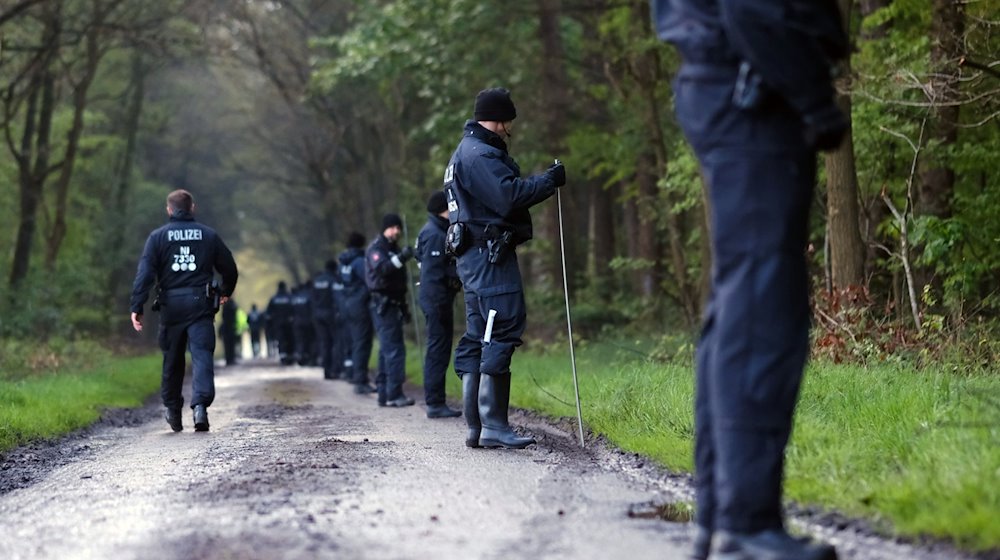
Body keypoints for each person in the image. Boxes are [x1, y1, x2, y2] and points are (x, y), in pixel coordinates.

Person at [651, 2, 848, 559]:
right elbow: (754, 7)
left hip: (734, 79)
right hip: (752, 86)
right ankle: (743, 522)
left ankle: (724, 519)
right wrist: (812, 95)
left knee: (745, 300)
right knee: (761, 309)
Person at [444, 87, 566, 449]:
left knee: (480, 332)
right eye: (507, 123)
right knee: (501, 326)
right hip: (488, 259)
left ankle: (476, 425)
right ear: (497, 120)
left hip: (474, 259)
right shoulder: (478, 154)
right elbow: (508, 196)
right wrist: (548, 181)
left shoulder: (462, 153)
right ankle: (492, 423)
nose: (508, 131)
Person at [129, 189, 238, 433]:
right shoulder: (208, 235)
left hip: (171, 306)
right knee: (201, 356)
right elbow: (229, 267)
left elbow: (145, 274)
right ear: (192, 208)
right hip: (201, 304)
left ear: (169, 210)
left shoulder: (157, 238)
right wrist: (225, 291)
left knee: (172, 358)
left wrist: (137, 305)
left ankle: (173, 411)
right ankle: (200, 408)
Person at [415, 190, 462, 419]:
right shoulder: (434, 233)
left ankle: (436, 401)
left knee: (440, 348)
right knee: (438, 350)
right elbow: (434, 272)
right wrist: (461, 271)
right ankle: (435, 402)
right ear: (444, 209)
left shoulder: (431, 230)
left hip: (437, 299)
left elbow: (418, 257)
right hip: (437, 300)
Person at [365, 213, 416, 407]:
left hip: (393, 303)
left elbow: (398, 281)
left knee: (387, 350)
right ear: (386, 228)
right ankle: (394, 394)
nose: (397, 231)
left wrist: (404, 307)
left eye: (399, 228)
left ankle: (384, 393)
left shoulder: (391, 248)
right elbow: (383, 269)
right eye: (394, 227)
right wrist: (402, 257)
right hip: (383, 305)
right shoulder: (377, 248)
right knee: (394, 350)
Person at [340, 232, 376, 394]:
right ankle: (360, 380)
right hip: (361, 305)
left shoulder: (344, 263)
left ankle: (357, 376)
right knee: (363, 342)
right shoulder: (359, 262)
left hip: (348, 304)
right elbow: (370, 280)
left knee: (356, 341)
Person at [311, 260, 340, 380]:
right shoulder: (334, 279)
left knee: (324, 342)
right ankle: (334, 369)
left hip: (318, 314)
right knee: (335, 342)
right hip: (331, 314)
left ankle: (326, 370)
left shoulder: (317, 280)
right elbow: (337, 298)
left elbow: (312, 297)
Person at [266, 281, 295, 364]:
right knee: (290, 339)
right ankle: (290, 356)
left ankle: (283, 356)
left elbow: (269, 313)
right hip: (289, 323)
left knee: (281, 340)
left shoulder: (274, 298)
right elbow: (294, 309)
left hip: (278, 323)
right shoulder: (289, 297)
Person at [219, 298, 239, 366]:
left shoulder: (227, 304)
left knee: (229, 345)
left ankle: (229, 359)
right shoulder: (231, 305)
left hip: (228, 328)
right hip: (229, 328)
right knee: (230, 345)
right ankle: (230, 359)